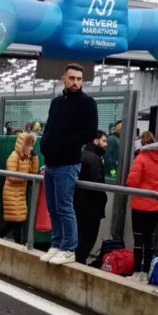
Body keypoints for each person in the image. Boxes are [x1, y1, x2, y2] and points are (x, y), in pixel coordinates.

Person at [39, 63, 99, 265]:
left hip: (68, 163)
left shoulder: (87, 103)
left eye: (79, 79)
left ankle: (69, 248)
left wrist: (64, 145)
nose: (75, 82)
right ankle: (56, 244)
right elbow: (50, 127)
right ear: (63, 79)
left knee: (65, 207)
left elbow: (90, 132)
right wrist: (45, 145)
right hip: (51, 162)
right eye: (72, 78)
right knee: (53, 207)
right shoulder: (57, 102)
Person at [126, 129, 158, 279]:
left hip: (140, 205)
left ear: (142, 143)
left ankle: (137, 272)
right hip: (157, 205)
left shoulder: (141, 158)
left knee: (138, 239)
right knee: (149, 239)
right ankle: (146, 273)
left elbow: (132, 182)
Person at [74, 130, 108, 264]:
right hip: (91, 207)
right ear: (95, 141)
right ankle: (80, 262)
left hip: (78, 203)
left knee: (78, 234)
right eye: (104, 141)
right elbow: (96, 184)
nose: (106, 144)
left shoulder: (81, 155)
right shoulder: (95, 159)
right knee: (88, 237)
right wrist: (103, 199)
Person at [0, 131, 39, 244]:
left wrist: (35, 157)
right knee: (16, 220)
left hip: (20, 192)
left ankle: (3, 238)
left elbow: (33, 172)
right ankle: (15, 242)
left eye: (32, 144)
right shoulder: (14, 156)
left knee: (19, 219)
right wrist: (25, 178)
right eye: (29, 144)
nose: (31, 147)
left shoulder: (26, 157)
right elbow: (11, 176)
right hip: (11, 192)